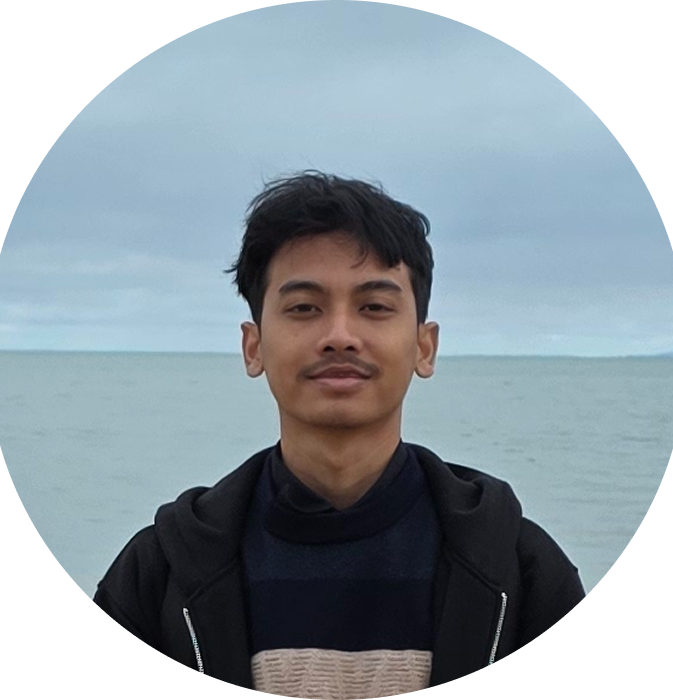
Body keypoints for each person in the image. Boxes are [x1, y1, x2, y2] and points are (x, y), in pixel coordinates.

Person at [94, 171, 585, 695]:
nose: (340, 336)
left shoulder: (521, 572)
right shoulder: (158, 576)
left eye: (374, 307)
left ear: (424, 347)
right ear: (253, 347)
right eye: (304, 307)